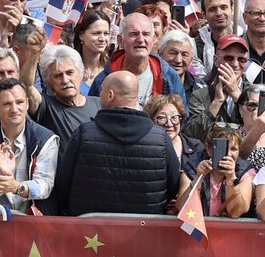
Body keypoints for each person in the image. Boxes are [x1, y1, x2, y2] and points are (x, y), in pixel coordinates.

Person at [54, 70, 179, 216]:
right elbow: (173, 186)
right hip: (144, 232)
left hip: (89, 232)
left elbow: (63, 185)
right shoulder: (161, 139)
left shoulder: (83, 134)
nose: (99, 96)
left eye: (101, 91)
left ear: (110, 95)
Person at [0, 77, 58, 213]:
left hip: (34, 221)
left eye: (19, 102)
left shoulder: (46, 139)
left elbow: (45, 185)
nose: (14, 109)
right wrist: (3, 175)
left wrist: (17, 187)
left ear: (27, 104)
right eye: (7, 104)